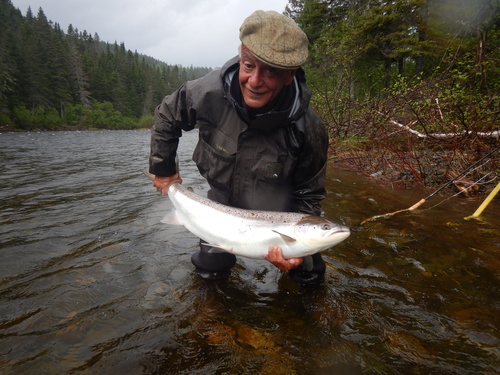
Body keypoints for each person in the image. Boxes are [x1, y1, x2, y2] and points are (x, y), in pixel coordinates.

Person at [149, 10, 329, 285]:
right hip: (219, 207)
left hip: (277, 212)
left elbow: (308, 194)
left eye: (270, 71)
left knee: (309, 271)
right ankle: (213, 319)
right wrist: (163, 170)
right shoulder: (208, 93)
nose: (255, 81)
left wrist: (296, 250)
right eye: (248, 66)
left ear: (290, 75)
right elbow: (166, 115)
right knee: (209, 270)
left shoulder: (309, 129)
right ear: (240, 57)